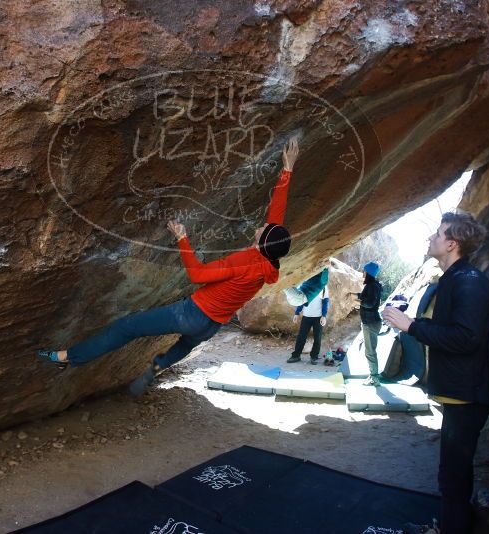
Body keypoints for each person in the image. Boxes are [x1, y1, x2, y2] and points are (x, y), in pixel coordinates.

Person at [36, 138, 301, 396]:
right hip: (211, 325)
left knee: (126, 328)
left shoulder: (245, 262)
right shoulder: (268, 263)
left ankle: (68, 356)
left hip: (191, 314)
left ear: (261, 243)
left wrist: (181, 238)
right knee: (184, 345)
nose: (262, 224)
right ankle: (159, 365)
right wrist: (287, 169)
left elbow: (198, 275)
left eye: (263, 229)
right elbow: (275, 216)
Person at [383, 211, 489, 534]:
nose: (431, 238)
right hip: (457, 395)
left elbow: (466, 337)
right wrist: (414, 324)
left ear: (452, 243)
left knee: (453, 477)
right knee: (454, 474)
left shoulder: (470, 282)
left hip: (466, 396)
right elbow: (453, 329)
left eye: (438, 233)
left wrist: (412, 326)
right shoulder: (455, 279)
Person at [287, 268, 330, 364]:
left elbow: (325, 302)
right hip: (306, 316)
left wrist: (324, 315)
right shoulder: (305, 283)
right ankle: (296, 356)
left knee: (317, 338)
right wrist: (297, 313)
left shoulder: (323, 287)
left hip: (318, 317)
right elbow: (301, 299)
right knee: (301, 337)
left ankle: (314, 357)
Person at [354, 262, 383, 386]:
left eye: (364, 271)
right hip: (370, 322)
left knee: (370, 351)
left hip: (370, 323)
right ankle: (373, 376)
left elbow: (370, 303)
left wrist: (358, 301)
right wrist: (354, 295)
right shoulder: (372, 285)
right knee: (370, 351)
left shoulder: (372, 286)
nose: (363, 273)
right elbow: (367, 297)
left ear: (369, 273)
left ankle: (374, 378)